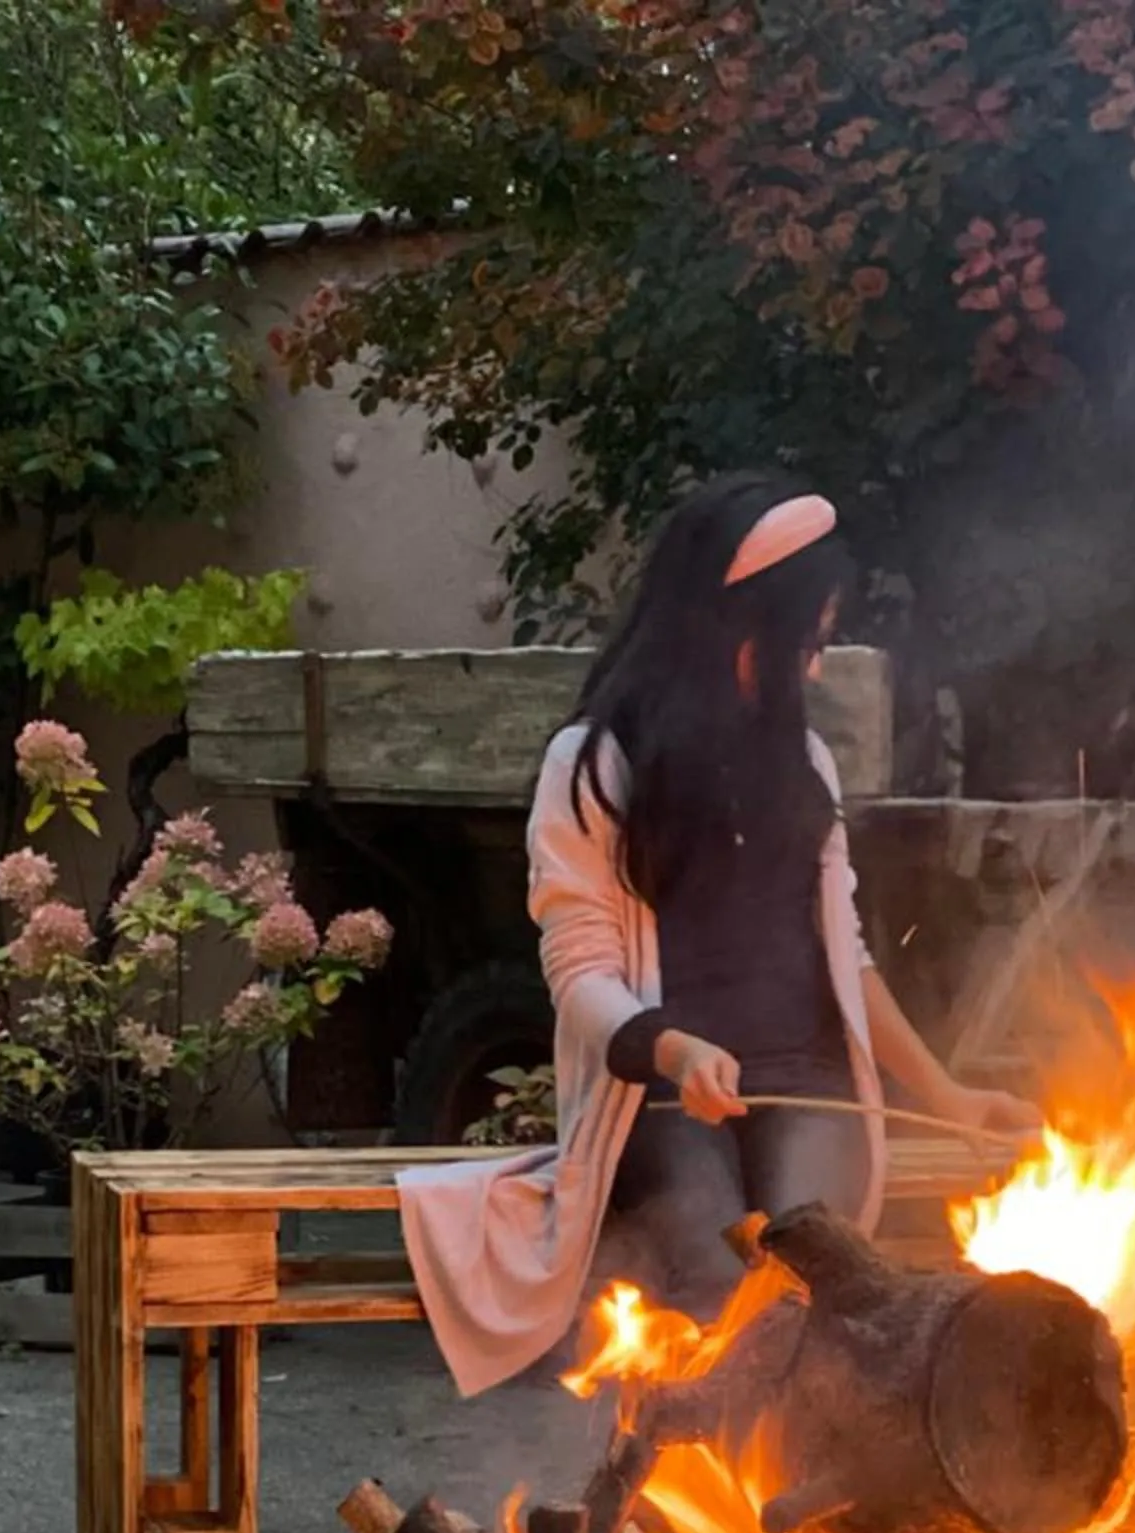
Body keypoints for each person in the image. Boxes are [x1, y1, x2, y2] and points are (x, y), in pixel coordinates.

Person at [399, 474, 1039, 1392]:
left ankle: (789, 1516)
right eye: (805, 643)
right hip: (659, 1094)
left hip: (810, 1085)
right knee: (708, 1278)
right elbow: (578, 972)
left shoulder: (803, 761)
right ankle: (704, 1509)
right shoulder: (595, 763)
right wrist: (672, 1049)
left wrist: (947, 1093)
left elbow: (846, 956)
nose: (812, 669)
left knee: (808, 1276)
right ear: (740, 627)